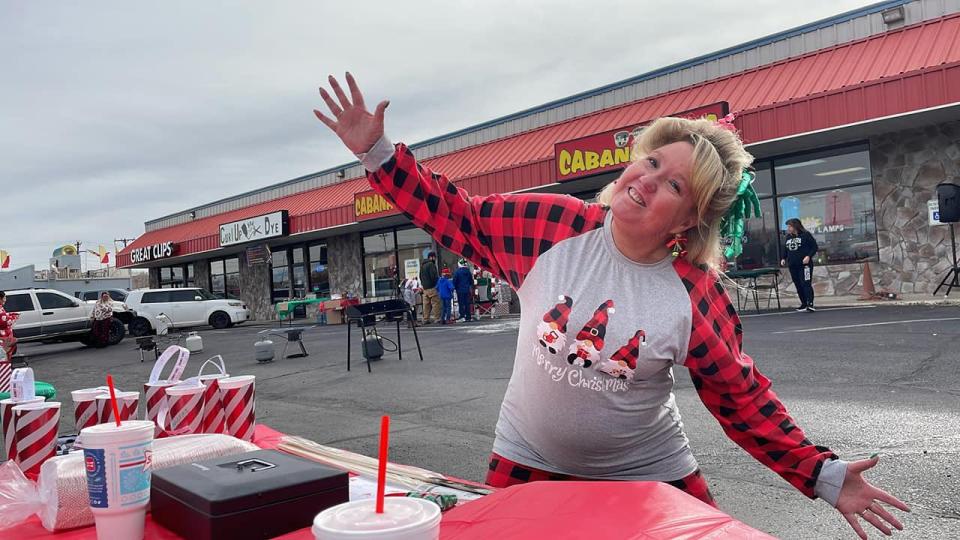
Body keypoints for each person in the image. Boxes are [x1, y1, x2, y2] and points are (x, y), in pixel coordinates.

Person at [314, 73, 909, 538]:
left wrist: (823, 475)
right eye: (652, 162)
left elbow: (741, 398)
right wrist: (378, 154)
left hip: (647, 471)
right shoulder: (551, 227)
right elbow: (453, 213)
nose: (648, 181)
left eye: (674, 185)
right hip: (527, 455)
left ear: (692, 218)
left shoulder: (695, 295)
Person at [781, 218, 819, 312]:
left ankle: (810, 303)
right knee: (798, 284)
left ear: (795, 226)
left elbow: (814, 247)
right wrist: (783, 258)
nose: (788, 228)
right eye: (788, 227)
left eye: (790, 226)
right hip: (793, 265)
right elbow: (786, 249)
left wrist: (808, 256)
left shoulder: (805, 235)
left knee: (805, 283)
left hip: (804, 265)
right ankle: (803, 303)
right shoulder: (788, 237)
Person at [419, 251, 440, 324]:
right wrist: (436, 284)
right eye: (434, 257)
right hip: (432, 287)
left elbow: (420, 277)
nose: (435, 259)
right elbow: (434, 276)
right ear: (431, 257)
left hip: (425, 288)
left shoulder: (422, 265)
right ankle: (437, 318)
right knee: (435, 303)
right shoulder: (431, 264)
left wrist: (423, 285)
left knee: (426, 305)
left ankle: (425, 319)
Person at [0, 291, 20, 358]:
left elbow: (4, 317)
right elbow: (3, 322)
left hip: (4, 337)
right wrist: (14, 317)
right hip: (3, 337)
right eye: (4, 297)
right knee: (4, 356)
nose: (5, 300)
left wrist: (10, 315)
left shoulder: (1, 308)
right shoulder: (0, 308)